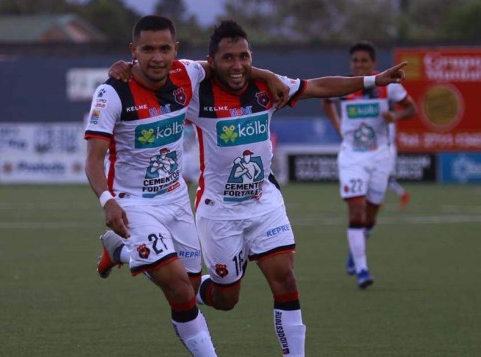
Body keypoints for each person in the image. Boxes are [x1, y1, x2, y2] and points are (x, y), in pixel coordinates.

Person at [108, 21, 406, 356]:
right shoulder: (195, 94)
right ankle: (130, 254)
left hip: (264, 202)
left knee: (286, 280)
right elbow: (156, 75)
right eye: (228, 58)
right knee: (225, 300)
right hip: (219, 211)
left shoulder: (268, 88)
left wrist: (373, 80)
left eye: (244, 57)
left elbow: (319, 86)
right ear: (212, 61)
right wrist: (125, 68)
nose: (237, 66)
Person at [86, 15, 290, 357]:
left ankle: (121, 251)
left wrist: (267, 75)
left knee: (193, 285)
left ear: (175, 50)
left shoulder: (187, 73)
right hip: (133, 203)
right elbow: (93, 159)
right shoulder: (111, 93)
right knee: (180, 288)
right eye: (147, 49)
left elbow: (230, 67)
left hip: (177, 199)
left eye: (165, 48)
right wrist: (107, 200)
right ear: (133, 51)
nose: (157, 57)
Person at [321, 40, 417, 289]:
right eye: (355, 61)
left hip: (381, 155)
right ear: (351, 63)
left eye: (364, 61)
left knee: (371, 215)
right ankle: (363, 270)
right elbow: (326, 102)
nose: (359, 65)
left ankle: (357, 250)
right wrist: (339, 128)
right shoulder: (344, 85)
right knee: (356, 210)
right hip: (352, 156)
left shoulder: (388, 87)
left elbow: (412, 108)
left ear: (374, 63)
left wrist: (395, 115)